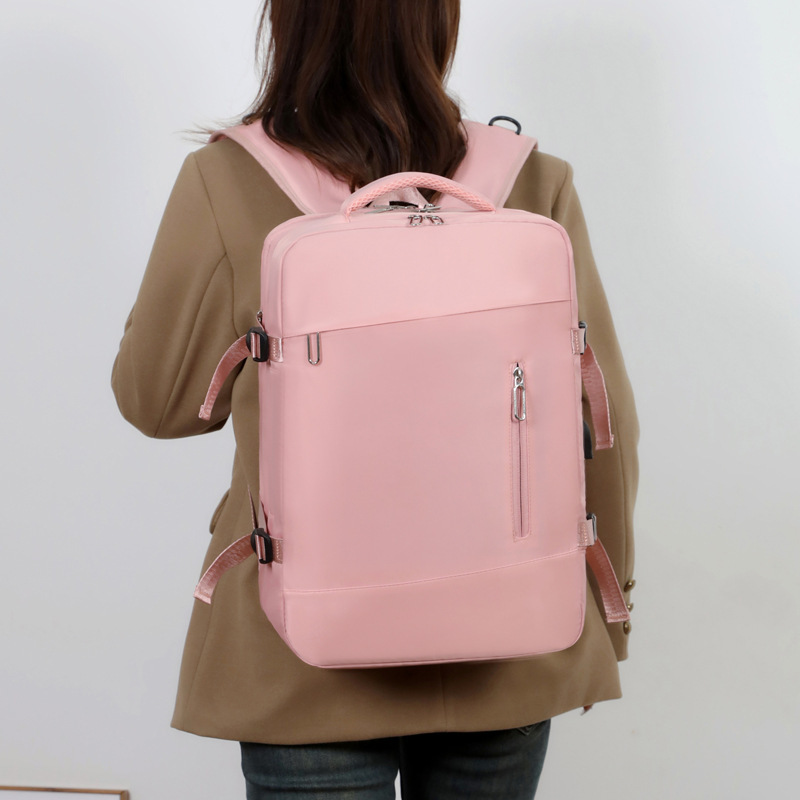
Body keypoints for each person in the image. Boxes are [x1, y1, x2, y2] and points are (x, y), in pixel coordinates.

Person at [111, 1, 639, 797]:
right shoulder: (531, 179)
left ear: (290, 25)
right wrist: (608, 603)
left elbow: (157, 403)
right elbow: (602, 422)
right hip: (507, 638)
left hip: (299, 658)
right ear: (438, 22)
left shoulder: (227, 180)